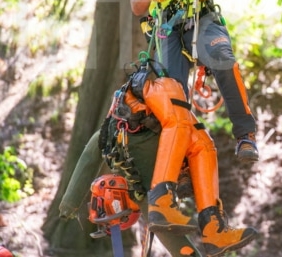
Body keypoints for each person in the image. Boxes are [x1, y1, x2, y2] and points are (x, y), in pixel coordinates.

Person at [60, 70, 259, 257]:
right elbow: (179, 247)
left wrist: (69, 205)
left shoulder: (111, 140)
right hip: (161, 111)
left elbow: (88, 158)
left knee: (197, 143)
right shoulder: (113, 143)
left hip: (159, 109)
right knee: (201, 146)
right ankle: (212, 227)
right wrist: (68, 205)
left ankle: (212, 227)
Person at [127, 0, 259, 164]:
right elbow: (136, 6)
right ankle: (183, 157)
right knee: (173, 93)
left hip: (202, 19)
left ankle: (245, 135)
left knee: (223, 59)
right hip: (166, 28)